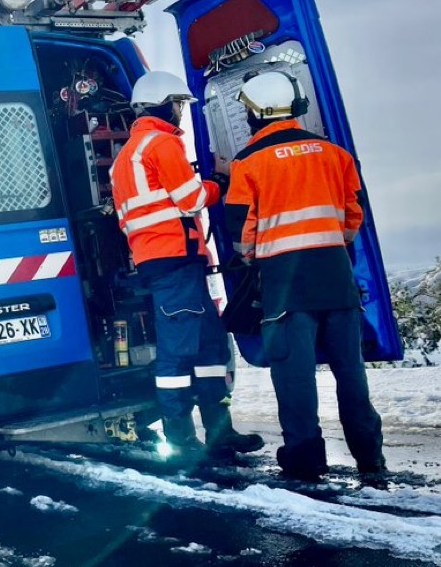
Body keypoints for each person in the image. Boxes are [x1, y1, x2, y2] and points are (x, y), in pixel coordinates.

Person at [223, 70, 385, 481]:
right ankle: (370, 460)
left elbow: (242, 235)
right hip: (336, 279)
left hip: (285, 288)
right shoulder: (336, 155)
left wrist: (255, 256)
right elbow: (354, 217)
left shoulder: (247, 164)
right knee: (351, 376)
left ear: (257, 114)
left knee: (295, 380)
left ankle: (306, 462)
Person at [110, 71, 264, 460]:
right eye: (177, 103)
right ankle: (181, 441)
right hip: (174, 261)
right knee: (178, 354)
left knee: (212, 347)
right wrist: (221, 182)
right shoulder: (161, 143)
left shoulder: (125, 157)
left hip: (168, 262)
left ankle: (220, 433)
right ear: (162, 103)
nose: (179, 111)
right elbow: (192, 198)